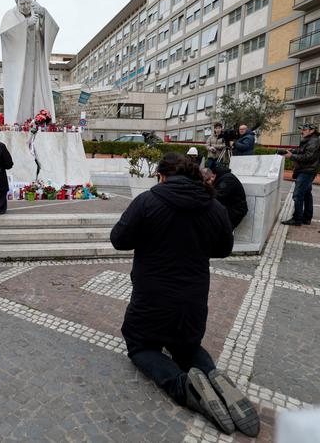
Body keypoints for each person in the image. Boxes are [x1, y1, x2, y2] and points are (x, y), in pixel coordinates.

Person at [111, 152, 259, 437]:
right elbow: (224, 248)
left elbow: (119, 239)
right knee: (187, 346)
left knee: (142, 346)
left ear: (163, 176)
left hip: (151, 298)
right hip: (193, 299)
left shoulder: (147, 201)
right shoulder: (214, 206)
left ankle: (184, 386)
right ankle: (213, 377)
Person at [0, 0, 59, 124]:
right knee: (23, 91)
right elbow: (6, 36)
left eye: (28, 2)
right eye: (22, 4)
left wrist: (44, 14)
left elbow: (53, 29)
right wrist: (26, 24)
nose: (26, 6)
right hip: (21, 64)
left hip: (37, 62)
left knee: (38, 88)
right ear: (16, 2)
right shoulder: (10, 16)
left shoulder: (37, 11)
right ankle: (20, 121)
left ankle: (40, 119)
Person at [281, 124, 320, 226]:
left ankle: (297, 219)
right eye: (302, 129)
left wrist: (292, 156)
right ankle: (306, 218)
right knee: (307, 195)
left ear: (312, 130)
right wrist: (293, 151)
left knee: (298, 195)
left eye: (304, 129)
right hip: (307, 170)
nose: (302, 131)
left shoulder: (314, 141)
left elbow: (308, 157)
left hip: (306, 171)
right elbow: (304, 152)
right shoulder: (309, 139)